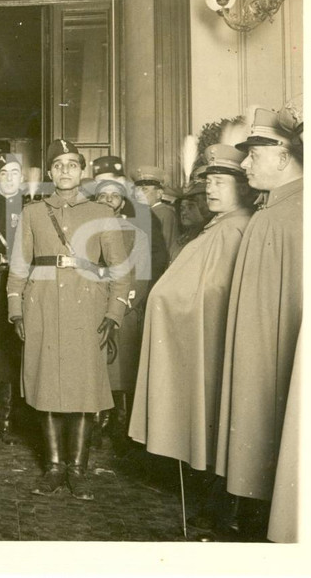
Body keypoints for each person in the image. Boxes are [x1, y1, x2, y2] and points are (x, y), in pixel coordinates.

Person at [127, 144, 255, 530]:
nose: (211, 189)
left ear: (243, 187)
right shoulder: (217, 226)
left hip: (212, 345)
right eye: (208, 181)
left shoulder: (233, 229)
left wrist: (168, 302)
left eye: (220, 181)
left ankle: (225, 506)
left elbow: (212, 293)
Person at [7, 139, 131, 501]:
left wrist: (113, 313)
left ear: (82, 171)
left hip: (86, 307)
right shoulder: (33, 213)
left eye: (72, 164)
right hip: (41, 306)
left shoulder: (100, 213)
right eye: (58, 164)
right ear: (49, 173)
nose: (65, 170)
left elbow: (120, 272)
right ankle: (54, 467)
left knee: (83, 388)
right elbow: (18, 267)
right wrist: (15, 308)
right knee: (45, 385)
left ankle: (78, 469)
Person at [215, 108, 303, 539]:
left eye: (253, 155)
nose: (245, 165)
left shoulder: (283, 216)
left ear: (284, 157)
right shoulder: (279, 210)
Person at [92, 177, 150, 452]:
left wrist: (123, 306)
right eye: (102, 195)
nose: (107, 200)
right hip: (90, 309)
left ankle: (119, 423)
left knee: (120, 369)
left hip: (123, 311)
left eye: (114, 196)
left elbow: (141, 277)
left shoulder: (135, 233)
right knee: (93, 368)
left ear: (122, 202)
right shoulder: (85, 232)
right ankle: (94, 421)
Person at [0, 152, 25, 442]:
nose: (10, 179)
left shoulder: (33, 207)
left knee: (14, 348)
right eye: (4, 174)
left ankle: (9, 419)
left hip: (22, 286)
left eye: (15, 173)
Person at [133, 164, 179, 266]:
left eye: (144, 189)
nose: (138, 194)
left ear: (159, 193)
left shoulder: (164, 213)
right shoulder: (142, 213)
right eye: (137, 189)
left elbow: (167, 247)